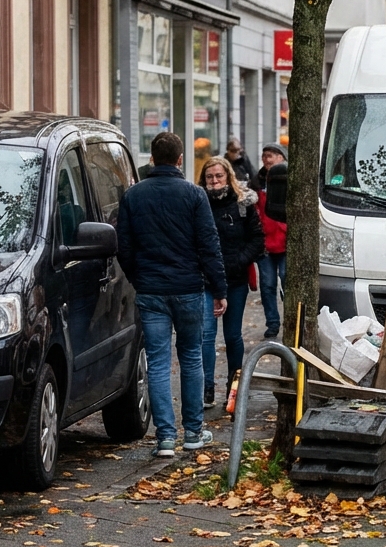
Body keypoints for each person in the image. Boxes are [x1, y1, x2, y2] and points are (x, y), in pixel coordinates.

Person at [117, 132, 228, 458]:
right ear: (180, 159)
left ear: (152, 159)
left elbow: (124, 246)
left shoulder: (133, 196)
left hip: (152, 290)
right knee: (192, 357)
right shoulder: (194, 195)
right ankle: (193, 432)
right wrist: (219, 289)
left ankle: (165, 437)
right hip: (189, 289)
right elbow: (209, 245)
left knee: (159, 363)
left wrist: (139, 278)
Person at [197, 156, 265, 408]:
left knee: (233, 335)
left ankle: (233, 388)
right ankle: (206, 388)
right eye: (209, 177)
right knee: (206, 335)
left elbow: (258, 240)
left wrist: (238, 260)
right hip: (205, 280)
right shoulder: (198, 202)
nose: (214, 181)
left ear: (228, 176)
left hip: (235, 279)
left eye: (219, 176)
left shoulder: (243, 204)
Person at [253, 142, 288, 338]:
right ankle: (273, 323)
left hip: (284, 241)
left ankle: (290, 317)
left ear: (281, 157)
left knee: (286, 279)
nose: (266, 159)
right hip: (265, 243)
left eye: (271, 155)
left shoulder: (288, 178)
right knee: (267, 284)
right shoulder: (256, 182)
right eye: (264, 155)